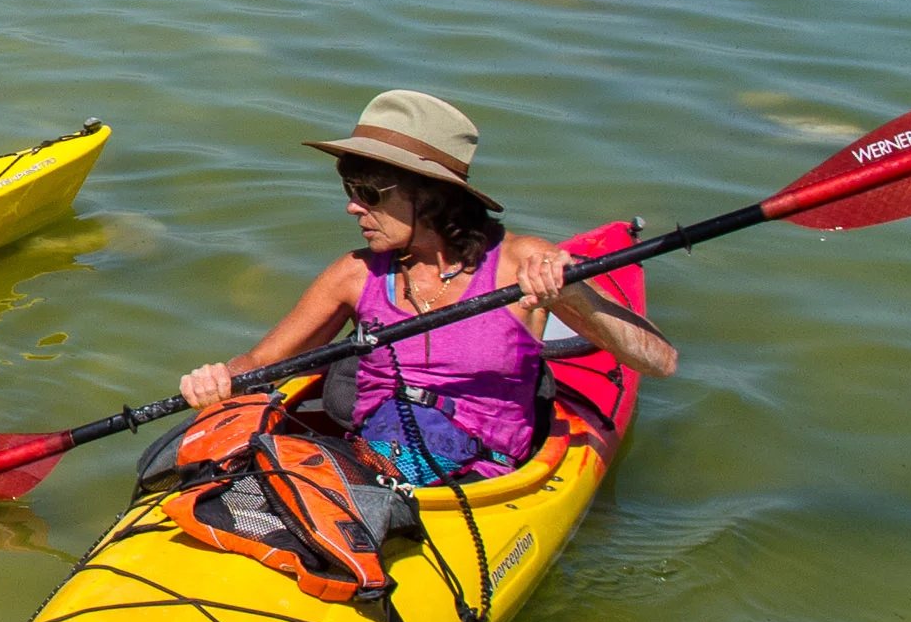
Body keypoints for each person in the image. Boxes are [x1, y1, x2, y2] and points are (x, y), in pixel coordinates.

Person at [177, 90, 677, 482]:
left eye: (369, 193)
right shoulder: (355, 274)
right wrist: (218, 379)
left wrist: (570, 294)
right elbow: (261, 365)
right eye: (350, 191)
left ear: (433, 198)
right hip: (370, 460)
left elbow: (658, 361)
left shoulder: (521, 263)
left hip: (477, 477)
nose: (353, 207)